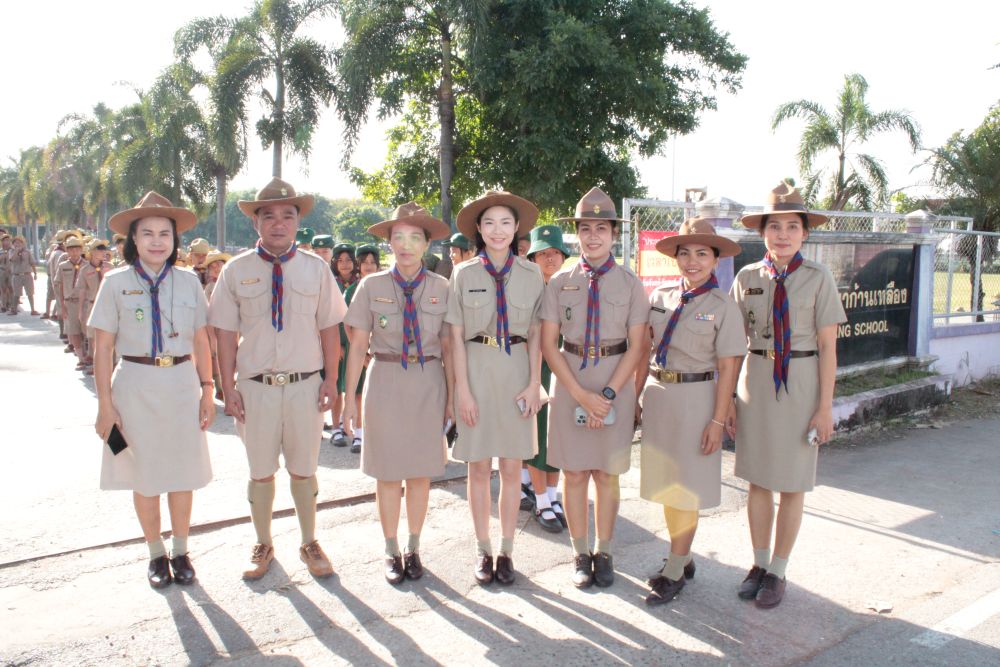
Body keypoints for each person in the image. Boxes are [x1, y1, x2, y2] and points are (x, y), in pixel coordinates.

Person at [209, 178, 346, 581]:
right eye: (269, 216)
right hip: (256, 388)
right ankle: (263, 543)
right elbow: (224, 335)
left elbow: (330, 329)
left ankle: (309, 541)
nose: (279, 223)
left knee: (304, 469)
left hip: (305, 385)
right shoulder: (236, 271)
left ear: (298, 222)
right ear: (256, 222)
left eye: (288, 215)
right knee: (260, 471)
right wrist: (228, 387)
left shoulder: (316, 269)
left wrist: (331, 380)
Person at [727, 182, 847, 609]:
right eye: (774, 227)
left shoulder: (818, 277)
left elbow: (829, 347)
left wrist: (824, 408)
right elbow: (733, 345)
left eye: (791, 227)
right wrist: (728, 402)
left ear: (804, 233)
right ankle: (758, 564)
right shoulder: (747, 277)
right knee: (758, 480)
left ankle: (778, 570)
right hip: (756, 383)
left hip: (801, 382)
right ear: (762, 233)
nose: (782, 235)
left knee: (793, 483)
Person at [89, 191, 214, 589]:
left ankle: (181, 550)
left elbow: (201, 340)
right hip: (134, 385)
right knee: (143, 474)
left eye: (165, 233)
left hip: (180, 384)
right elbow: (103, 348)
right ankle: (156, 553)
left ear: (175, 239)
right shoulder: (115, 282)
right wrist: (105, 406)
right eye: (148, 233)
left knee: (181, 472)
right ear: (133, 239)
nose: (157, 241)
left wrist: (207, 389)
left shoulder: (189, 281)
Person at [540, 187, 648, 589]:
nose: (593, 236)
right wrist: (581, 395)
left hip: (614, 381)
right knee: (574, 474)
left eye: (601, 228)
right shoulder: (559, 283)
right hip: (570, 382)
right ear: (578, 234)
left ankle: (604, 551)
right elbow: (549, 345)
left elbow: (637, 346)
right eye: (585, 228)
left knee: (606, 474)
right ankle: (579, 552)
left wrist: (608, 395)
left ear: (614, 233)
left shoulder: (630, 284)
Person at [341, 203, 451, 584]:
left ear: (427, 244)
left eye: (415, 238)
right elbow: (357, 346)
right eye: (398, 237)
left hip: (428, 380)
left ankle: (414, 546)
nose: (406, 245)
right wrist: (348, 399)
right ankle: (390, 548)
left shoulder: (442, 288)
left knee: (420, 472)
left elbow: (449, 347)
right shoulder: (370, 287)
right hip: (385, 379)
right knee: (387, 474)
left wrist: (453, 397)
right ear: (389, 242)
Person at [638, 219, 744, 605]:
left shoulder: (723, 306)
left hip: (698, 399)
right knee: (669, 485)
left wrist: (718, 419)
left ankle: (674, 568)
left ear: (715, 259)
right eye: (685, 253)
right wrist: (635, 397)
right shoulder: (661, 296)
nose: (692, 261)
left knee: (687, 487)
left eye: (701, 253)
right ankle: (682, 556)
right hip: (660, 396)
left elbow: (729, 366)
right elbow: (643, 350)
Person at [447, 190, 545, 586]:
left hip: (517, 372)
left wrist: (535, 384)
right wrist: (462, 391)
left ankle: (506, 551)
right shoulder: (463, 273)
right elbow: (455, 338)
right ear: (479, 229)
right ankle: (483, 549)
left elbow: (536, 334)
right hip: (476, 370)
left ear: (517, 227)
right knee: (477, 467)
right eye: (489, 223)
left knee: (511, 467)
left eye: (505, 222)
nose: (498, 230)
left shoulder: (532, 274)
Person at [523, 224, 573, 532]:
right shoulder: (526, 290)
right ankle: (541, 500)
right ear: (532, 258)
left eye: (555, 252)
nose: (550, 258)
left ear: (564, 256)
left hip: (564, 367)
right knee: (536, 436)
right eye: (543, 254)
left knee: (559, 435)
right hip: (534, 369)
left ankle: (553, 496)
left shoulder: (570, 288)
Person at [341, 243, 381, 454]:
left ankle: (372, 433)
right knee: (357, 393)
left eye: (372, 262)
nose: (368, 266)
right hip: (359, 350)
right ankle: (358, 434)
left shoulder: (384, 286)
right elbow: (348, 324)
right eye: (364, 262)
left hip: (379, 353)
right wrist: (362, 353)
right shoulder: (352, 290)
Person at [328, 242, 358, 447]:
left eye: (348, 260)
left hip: (356, 344)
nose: (345, 264)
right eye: (340, 260)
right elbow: (327, 317)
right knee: (336, 386)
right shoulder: (331, 283)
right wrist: (336, 345)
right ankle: (336, 427)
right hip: (336, 343)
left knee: (356, 388)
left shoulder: (361, 283)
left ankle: (355, 427)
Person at [77, 239, 114, 375]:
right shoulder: (85, 270)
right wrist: (80, 311)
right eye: (100, 249)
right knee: (93, 338)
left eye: (104, 249)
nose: (103, 252)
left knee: (110, 337)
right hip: (92, 305)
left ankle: (111, 366)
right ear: (92, 252)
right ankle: (96, 366)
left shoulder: (110, 267)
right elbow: (82, 290)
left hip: (109, 306)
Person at [54, 235, 87, 366]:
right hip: (70, 302)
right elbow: (59, 285)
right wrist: (62, 306)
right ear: (67, 251)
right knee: (73, 331)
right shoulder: (63, 266)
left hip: (85, 302)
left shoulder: (87, 265)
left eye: (77, 249)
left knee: (86, 331)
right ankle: (81, 358)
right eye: (71, 249)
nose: (74, 252)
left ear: (81, 250)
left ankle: (87, 354)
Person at [8, 236, 38, 315]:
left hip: (27, 274)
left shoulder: (27, 252)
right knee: (16, 293)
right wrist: (16, 251)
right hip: (17, 275)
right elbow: (12, 259)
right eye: (15, 242)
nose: (17, 244)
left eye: (19, 242)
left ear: (23, 243)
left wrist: (35, 273)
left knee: (30, 293)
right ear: (13, 244)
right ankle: (14, 310)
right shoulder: (11, 251)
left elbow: (32, 263)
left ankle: (33, 310)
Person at [0, 234, 13, 314]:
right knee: (3, 289)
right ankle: (3, 306)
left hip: (11, 272)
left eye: (8, 240)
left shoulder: (13, 250)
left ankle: (12, 306)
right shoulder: (0, 251)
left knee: (11, 288)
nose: (6, 242)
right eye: (4, 240)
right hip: (2, 271)